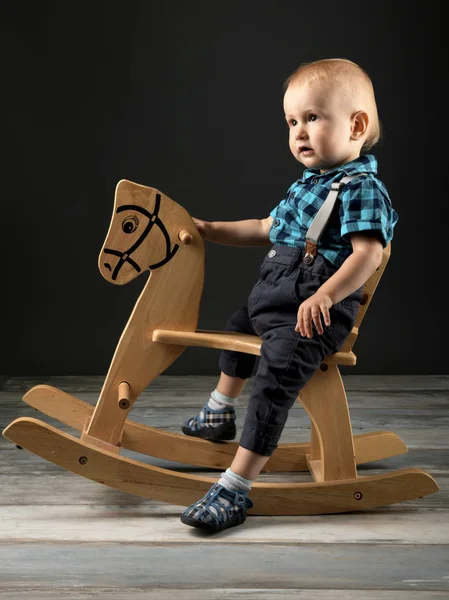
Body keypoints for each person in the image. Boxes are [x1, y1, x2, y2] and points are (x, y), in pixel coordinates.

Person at [180, 58, 399, 533]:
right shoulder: (307, 185)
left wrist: (325, 294)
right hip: (274, 299)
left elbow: (367, 255)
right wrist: (211, 229)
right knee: (237, 326)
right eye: (292, 121)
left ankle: (235, 486)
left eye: (313, 118)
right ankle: (219, 410)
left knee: (276, 373)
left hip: (317, 313)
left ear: (356, 125)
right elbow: (264, 227)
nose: (299, 132)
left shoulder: (362, 189)